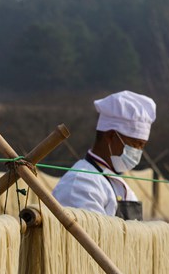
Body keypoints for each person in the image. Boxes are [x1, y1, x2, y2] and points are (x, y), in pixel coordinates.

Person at [53, 90, 156, 220]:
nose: (138, 151)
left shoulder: (118, 184)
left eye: (142, 146)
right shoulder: (81, 183)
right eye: (136, 144)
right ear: (111, 136)